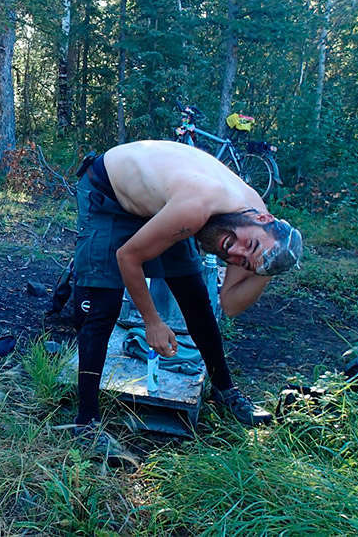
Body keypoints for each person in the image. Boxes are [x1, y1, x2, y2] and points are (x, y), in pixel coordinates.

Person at [71, 140, 302, 463]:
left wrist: (266, 269)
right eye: (247, 247)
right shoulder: (196, 209)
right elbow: (128, 258)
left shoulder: (250, 222)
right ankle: (86, 423)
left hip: (160, 204)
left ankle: (226, 392)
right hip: (107, 192)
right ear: (263, 220)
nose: (234, 254)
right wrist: (153, 322)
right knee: (103, 305)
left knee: (196, 299)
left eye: (245, 262)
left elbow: (231, 305)